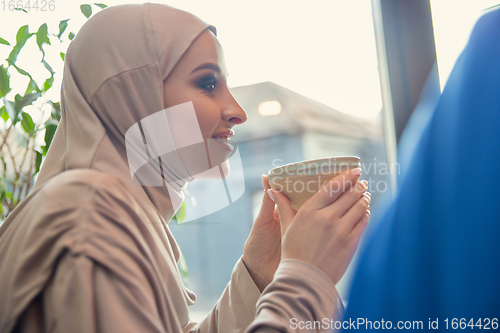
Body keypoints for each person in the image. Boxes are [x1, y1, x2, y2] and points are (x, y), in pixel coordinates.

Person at [0, 3, 371, 332]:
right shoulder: (89, 212)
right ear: (133, 95)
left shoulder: (115, 208)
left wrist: (260, 272)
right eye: (208, 83)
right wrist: (304, 279)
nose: (237, 111)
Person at [345, 8, 500, 331]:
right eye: (208, 83)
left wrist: (300, 273)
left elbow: (380, 313)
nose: (237, 113)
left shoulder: (490, 56)